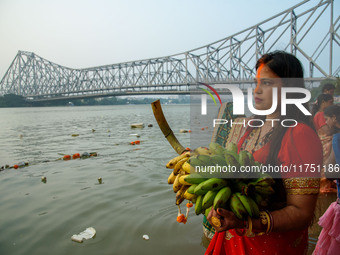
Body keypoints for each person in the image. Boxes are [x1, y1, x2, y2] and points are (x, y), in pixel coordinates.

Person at [205, 51, 323, 255]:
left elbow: (301, 213)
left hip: (269, 247)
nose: (257, 90)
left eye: (267, 83)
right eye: (257, 82)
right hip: (233, 239)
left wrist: (246, 221)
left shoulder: (300, 135)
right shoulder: (250, 126)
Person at [313, 104, 340, 254]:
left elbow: (332, 172)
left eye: (328, 119)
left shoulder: (337, 139)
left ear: (335, 118)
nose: (327, 123)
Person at [312, 94, 335, 193]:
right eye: (330, 102)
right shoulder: (320, 115)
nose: (332, 104)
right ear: (323, 102)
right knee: (326, 165)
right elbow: (327, 131)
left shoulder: (318, 114)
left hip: (323, 142)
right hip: (326, 143)